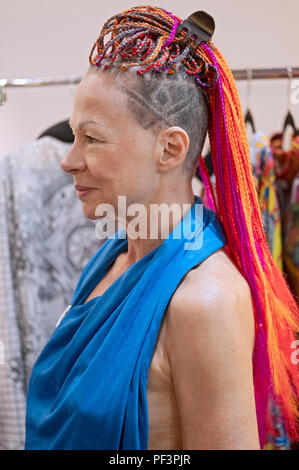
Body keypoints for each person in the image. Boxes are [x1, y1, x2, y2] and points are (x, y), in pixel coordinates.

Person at [24, 6, 299, 450]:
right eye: (74, 136)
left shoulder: (203, 303)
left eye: (91, 139)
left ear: (170, 148)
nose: (67, 160)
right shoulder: (112, 255)